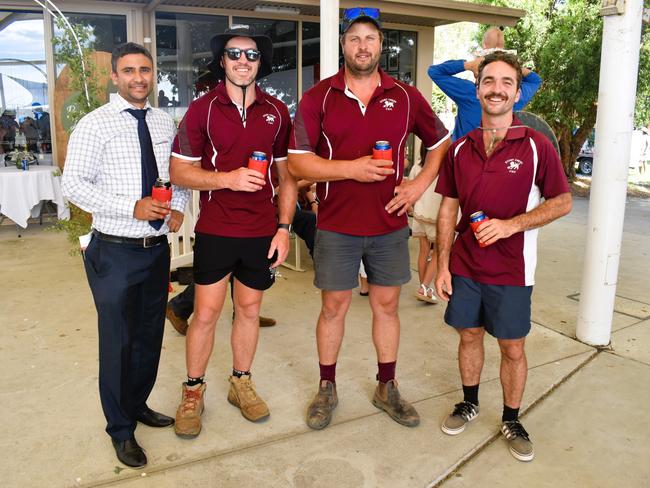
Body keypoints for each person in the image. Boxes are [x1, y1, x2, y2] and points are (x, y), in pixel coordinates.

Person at [288, 7, 450, 430]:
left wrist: (418, 186)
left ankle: (387, 386)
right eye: (354, 38)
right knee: (334, 308)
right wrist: (351, 168)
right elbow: (298, 163)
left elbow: (441, 142)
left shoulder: (405, 95)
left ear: (382, 46)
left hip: (389, 224)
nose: (363, 46)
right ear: (344, 45)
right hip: (337, 223)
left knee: (387, 307)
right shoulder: (319, 97)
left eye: (370, 39)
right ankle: (327, 387)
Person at [434, 51, 572, 462]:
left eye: (505, 83)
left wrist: (511, 225)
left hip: (513, 269)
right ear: (477, 90)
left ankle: (512, 417)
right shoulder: (460, 148)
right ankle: (469, 401)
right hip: (465, 265)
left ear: (516, 93)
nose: (496, 89)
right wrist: (441, 264)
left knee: (512, 346)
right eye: (489, 81)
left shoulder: (536, 145)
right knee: (469, 335)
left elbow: (562, 201)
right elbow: (447, 209)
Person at [62, 42, 189, 468]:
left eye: (145, 70)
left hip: (155, 250)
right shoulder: (94, 125)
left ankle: (136, 405)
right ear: (114, 77)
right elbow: (74, 185)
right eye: (129, 70)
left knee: (149, 336)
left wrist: (179, 208)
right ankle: (119, 430)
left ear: (153, 75)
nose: (138, 77)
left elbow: (179, 173)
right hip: (114, 252)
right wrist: (130, 206)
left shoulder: (164, 123)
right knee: (118, 342)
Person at [169, 25, 296, 437]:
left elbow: (287, 175)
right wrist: (227, 179)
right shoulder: (202, 109)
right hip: (217, 230)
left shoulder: (276, 112)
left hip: (261, 231)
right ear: (221, 61)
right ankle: (193, 390)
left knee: (250, 311)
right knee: (205, 314)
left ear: (261, 62)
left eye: (252, 55)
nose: (243, 61)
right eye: (235, 54)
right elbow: (179, 171)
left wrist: (283, 228)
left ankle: (240, 381)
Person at [428, 27, 542, 141]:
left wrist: (469, 65)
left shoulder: (468, 92)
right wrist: (508, 65)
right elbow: (535, 80)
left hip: (464, 157)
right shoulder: (514, 96)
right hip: (501, 155)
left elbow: (435, 72)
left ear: (484, 45)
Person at [410, 144, 441, 304]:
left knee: (423, 251)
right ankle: (424, 287)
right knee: (438, 253)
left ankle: (425, 289)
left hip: (419, 215)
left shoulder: (417, 166)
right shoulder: (443, 169)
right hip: (436, 216)